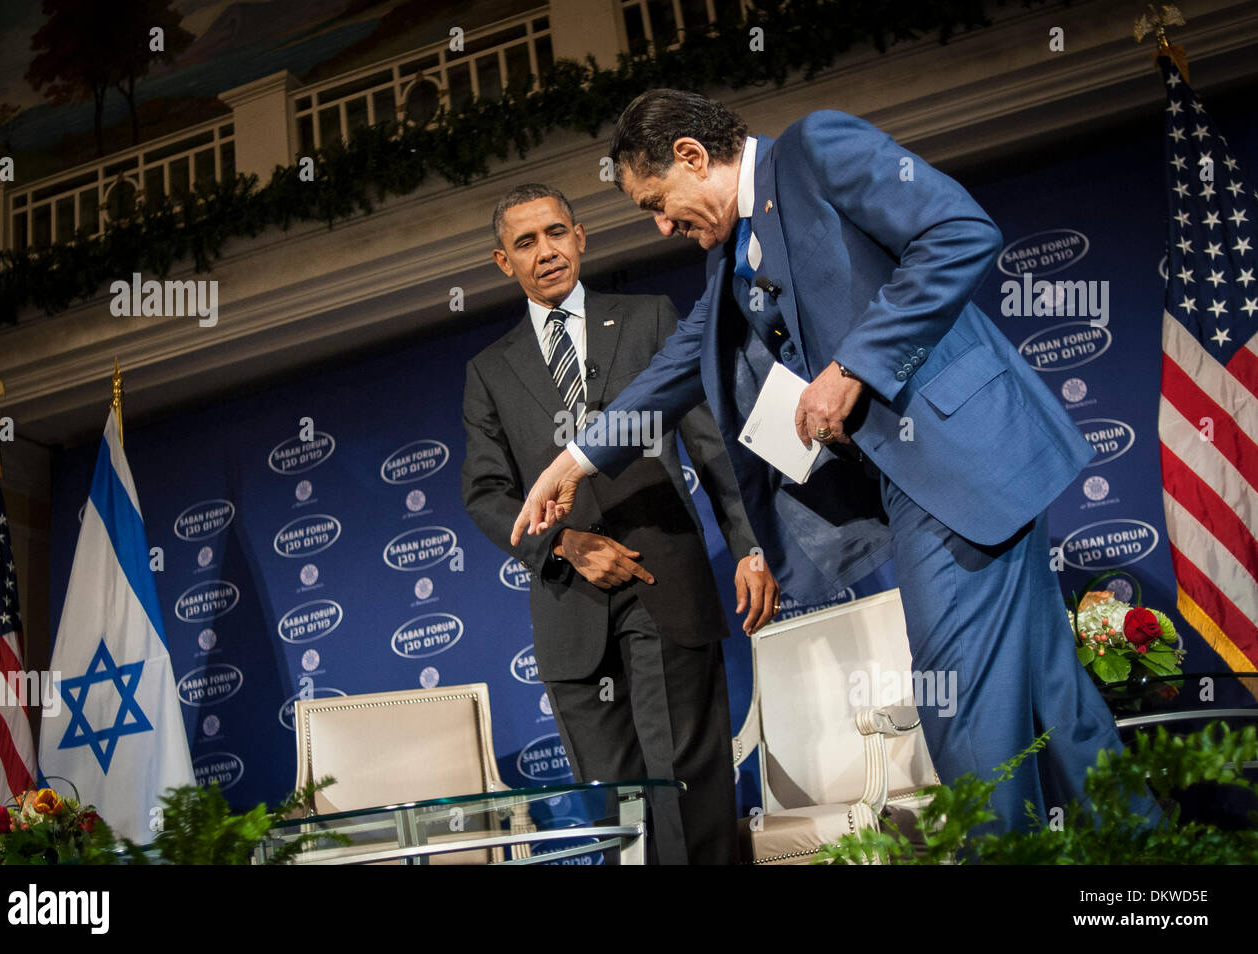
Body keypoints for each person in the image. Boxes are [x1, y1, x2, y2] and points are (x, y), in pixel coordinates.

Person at [511, 91, 1133, 835]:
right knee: (1058, 706)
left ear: (691, 155)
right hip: (930, 483)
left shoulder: (815, 149)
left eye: (657, 202)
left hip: (958, 463)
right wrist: (576, 460)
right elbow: (679, 365)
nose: (662, 225)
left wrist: (853, 367)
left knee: (963, 716)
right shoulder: (735, 250)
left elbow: (959, 230)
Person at [461, 182, 778, 863]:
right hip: (571, 611)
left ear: (581, 237)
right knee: (618, 822)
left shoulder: (649, 318)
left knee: (686, 794)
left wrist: (750, 546)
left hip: (664, 579)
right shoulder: (488, 371)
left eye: (554, 233)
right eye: (525, 243)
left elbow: (711, 443)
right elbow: (486, 493)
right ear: (502, 262)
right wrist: (563, 545)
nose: (544, 251)